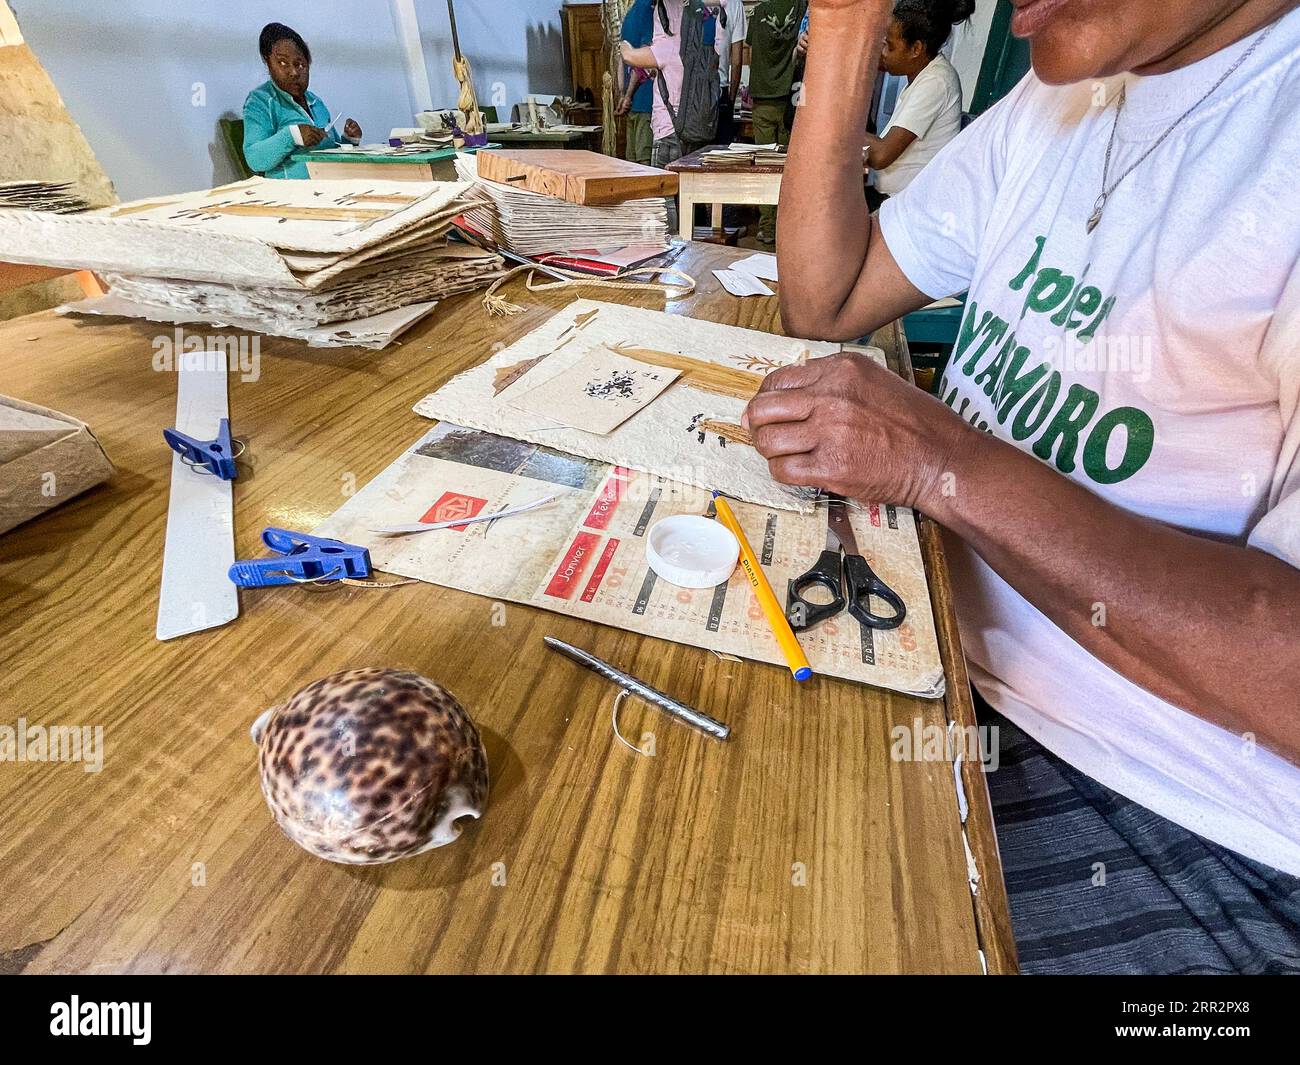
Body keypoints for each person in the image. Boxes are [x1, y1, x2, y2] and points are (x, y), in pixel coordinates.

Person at [752, 0, 1300, 974]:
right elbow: (824, 299)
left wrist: (942, 461)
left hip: (1174, 813)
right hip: (943, 671)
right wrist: (842, 25)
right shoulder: (1058, 99)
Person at [866, 0, 969, 203]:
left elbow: (881, 156)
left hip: (904, 203)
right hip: (890, 196)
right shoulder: (923, 77)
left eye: (890, 46)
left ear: (916, 49)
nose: (883, 53)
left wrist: (838, 129)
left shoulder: (936, 82)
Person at [243, 22, 361, 179]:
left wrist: (349, 140)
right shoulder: (260, 101)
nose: (293, 72)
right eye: (282, 63)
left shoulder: (315, 102)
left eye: (300, 65)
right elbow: (255, 159)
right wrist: (292, 136)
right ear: (268, 63)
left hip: (331, 184)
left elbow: (332, 149)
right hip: (292, 193)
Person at [747, 0, 808, 245]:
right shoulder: (801, 7)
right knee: (788, 168)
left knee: (763, 167)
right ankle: (787, 226)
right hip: (790, 98)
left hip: (762, 97)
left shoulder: (759, 11)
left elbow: (751, 53)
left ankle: (766, 228)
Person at [618, 0, 657, 166]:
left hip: (640, 99)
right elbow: (642, 62)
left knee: (634, 160)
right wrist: (625, 96)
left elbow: (622, 57)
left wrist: (623, 94)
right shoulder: (646, 10)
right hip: (642, 99)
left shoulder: (632, 13)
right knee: (641, 159)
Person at [715, 0, 750, 144]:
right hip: (720, 88)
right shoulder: (735, 4)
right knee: (720, 152)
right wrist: (730, 98)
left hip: (689, 90)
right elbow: (736, 61)